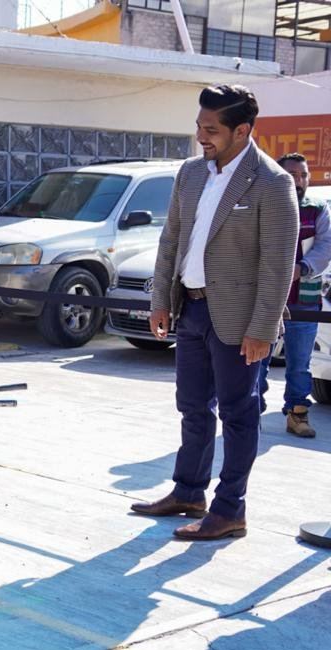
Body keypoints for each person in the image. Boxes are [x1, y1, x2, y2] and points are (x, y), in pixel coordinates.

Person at [132, 84, 299, 541]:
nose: (201, 136)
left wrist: (263, 328)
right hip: (192, 310)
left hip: (241, 320)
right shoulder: (189, 173)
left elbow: (278, 261)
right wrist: (161, 300)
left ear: (242, 130)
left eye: (211, 129)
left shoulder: (271, 182)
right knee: (191, 408)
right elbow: (171, 240)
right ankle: (188, 491)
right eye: (198, 126)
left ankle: (230, 511)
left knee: (239, 414)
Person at [257, 152, 331, 438]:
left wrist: (303, 268)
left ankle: (297, 414)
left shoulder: (317, 208)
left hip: (305, 299)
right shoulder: (262, 205)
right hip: (265, 299)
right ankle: (251, 412)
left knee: (300, 364)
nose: (298, 181)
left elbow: (326, 246)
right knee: (257, 358)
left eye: (303, 175)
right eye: (291, 175)